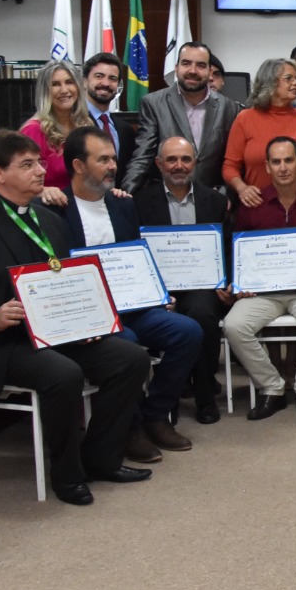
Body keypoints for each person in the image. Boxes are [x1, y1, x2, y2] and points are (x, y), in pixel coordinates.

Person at [0, 129, 151, 506]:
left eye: (40, 162)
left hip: (56, 334)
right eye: (27, 165)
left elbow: (66, 281)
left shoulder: (50, 220)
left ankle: (101, 458)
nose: (40, 171)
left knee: (130, 358)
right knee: (63, 374)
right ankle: (67, 474)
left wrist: (87, 323)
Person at [46, 127, 203, 463]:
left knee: (187, 331)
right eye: (102, 160)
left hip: (132, 304)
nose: (112, 166)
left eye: (113, 158)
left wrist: (158, 292)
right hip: (89, 312)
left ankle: (155, 414)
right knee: (128, 343)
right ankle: (129, 426)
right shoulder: (54, 209)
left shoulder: (122, 206)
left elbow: (137, 258)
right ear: (78, 165)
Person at [224, 136, 296, 420]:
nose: (283, 167)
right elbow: (241, 253)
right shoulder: (253, 203)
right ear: (267, 166)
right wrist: (241, 283)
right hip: (264, 294)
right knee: (234, 325)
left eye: (289, 160)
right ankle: (271, 388)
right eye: (276, 162)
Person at [133, 135, 232, 425]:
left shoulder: (214, 201)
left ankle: (204, 396)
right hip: (158, 288)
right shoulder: (140, 202)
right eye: (172, 159)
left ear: (195, 163)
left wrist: (225, 282)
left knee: (202, 314)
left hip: (202, 284)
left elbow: (226, 247)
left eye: (186, 159)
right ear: (158, 164)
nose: (179, 166)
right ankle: (169, 398)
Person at [121, 41, 243, 193]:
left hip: (212, 200)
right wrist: (126, 194)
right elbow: (143, 156)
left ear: (209, 71)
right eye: (186, 63)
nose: (193, 70)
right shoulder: (153, 104)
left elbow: (234, 162)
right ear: (176, 68)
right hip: (166, 200)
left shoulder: (230, 108)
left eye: (200, 65)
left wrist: (225, 194)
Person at [223, 57, 296, 209]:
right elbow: (229, 166)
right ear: (270, 82)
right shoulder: (245, 118)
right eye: (289, 79)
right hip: (257, 206)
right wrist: (242, 188)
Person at [19, 59, 93, 206]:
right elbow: (18, 180)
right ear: (45, 91)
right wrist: (43, 191)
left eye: (69, 82)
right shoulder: (33, 130)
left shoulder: (87, 125)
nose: (64, 90)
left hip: (85, 208)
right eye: (55, 84)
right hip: (50, 211)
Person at [80, 52, 134, 177]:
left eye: (112, 78)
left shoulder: (126, 131)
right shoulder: (72, 121)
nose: (106, 83)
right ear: (85, 82)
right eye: (99, 76)